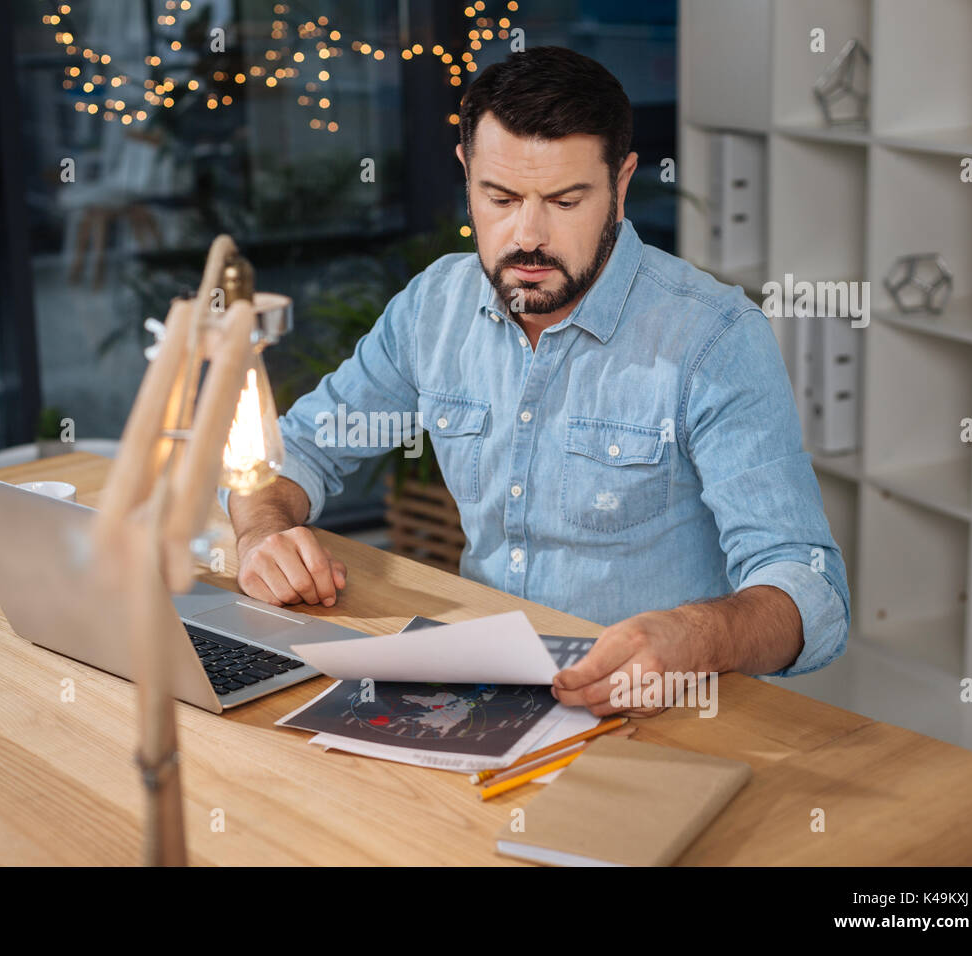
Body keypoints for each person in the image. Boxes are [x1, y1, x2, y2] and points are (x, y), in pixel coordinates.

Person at [218, 47, 850, 718]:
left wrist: (698, 636)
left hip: (657, 718)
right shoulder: (436, 306)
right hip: (482, 698)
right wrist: (261, 534)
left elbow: (810, 590)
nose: (528, 236)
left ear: (622, 182)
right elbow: (295, 452)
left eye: (565, 200)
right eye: (500, 197)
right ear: (467, 176)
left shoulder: (714, 338)